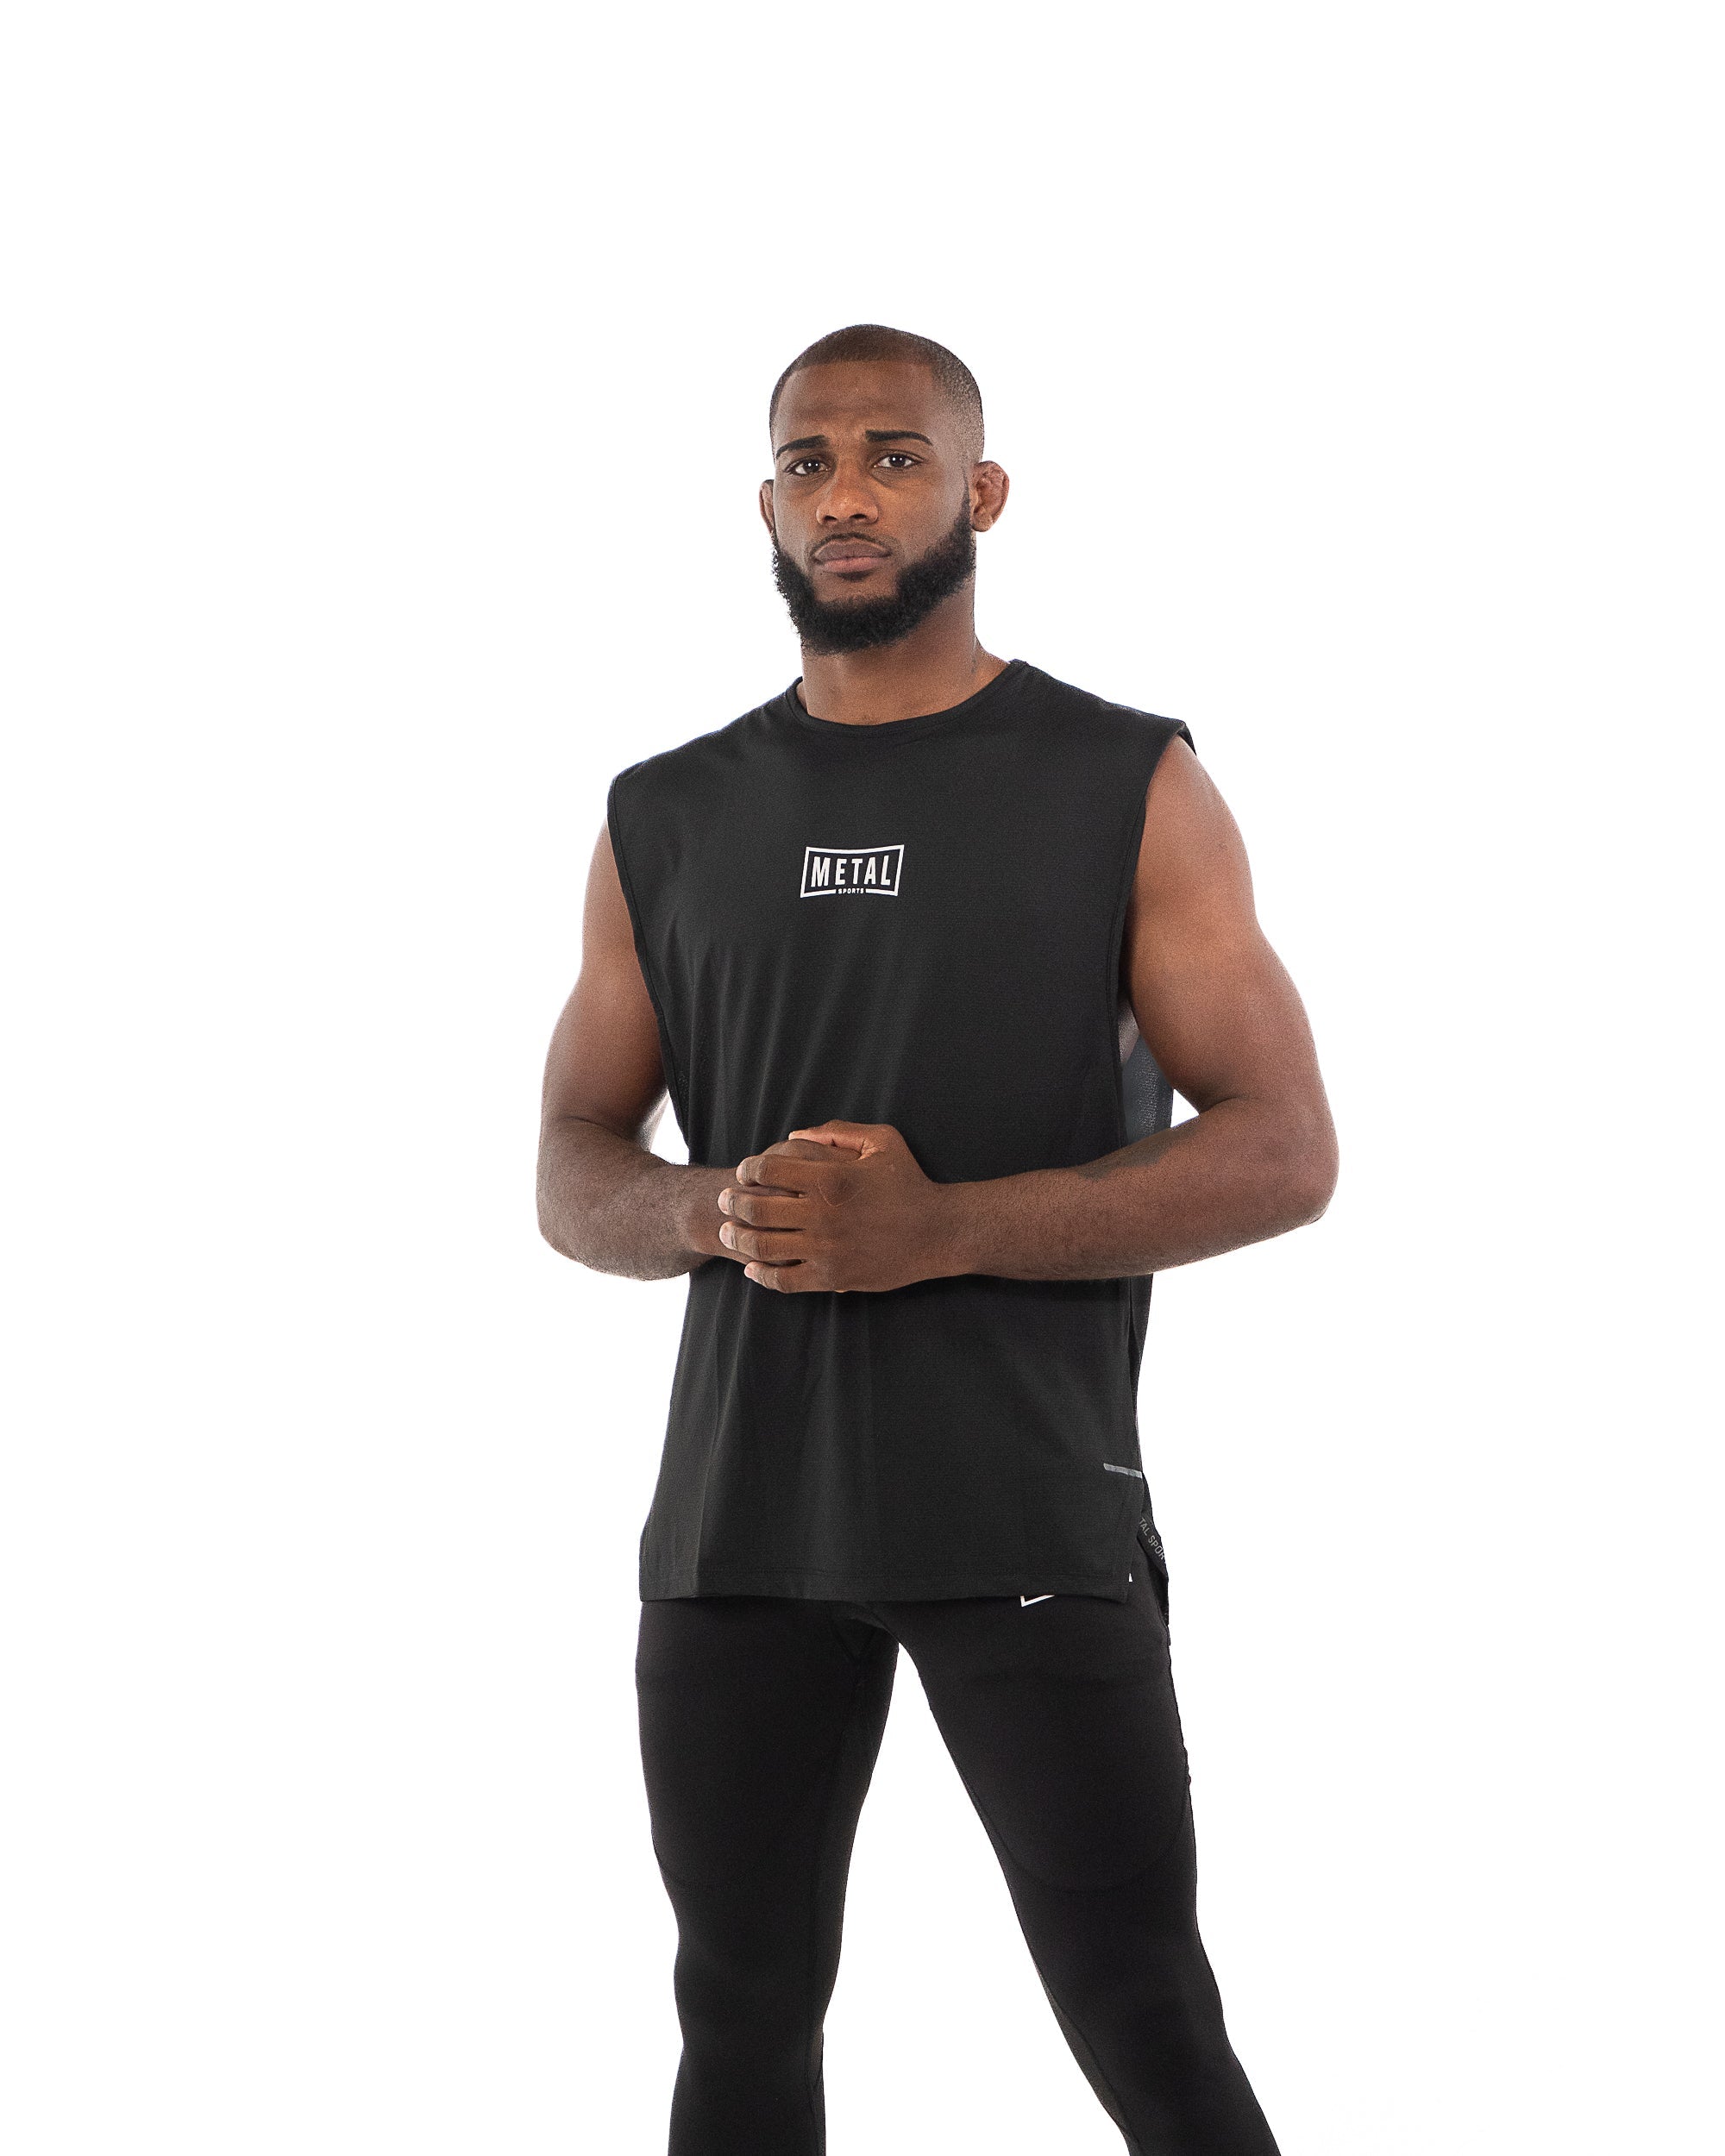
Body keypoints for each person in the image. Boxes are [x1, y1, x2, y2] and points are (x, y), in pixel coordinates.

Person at [536, 323, 1338, 2155]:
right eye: (808, 462)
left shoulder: (1123, 779)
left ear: (979, 494)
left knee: (1144, 2013)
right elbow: (570, 1163)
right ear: (764, 505)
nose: (847, 495)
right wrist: (709, 1207)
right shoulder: (664, 814)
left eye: (894, 458)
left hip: (1024, 1513)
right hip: (738, 1527)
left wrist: (937, 1229)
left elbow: (1285, 1148)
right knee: (738, 2010)